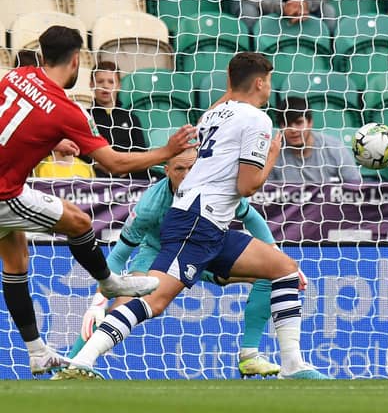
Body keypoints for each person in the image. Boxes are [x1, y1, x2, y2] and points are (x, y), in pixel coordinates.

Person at [55, 52, 329, 380]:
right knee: (154, 303)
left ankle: (291, 365)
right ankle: (82, 361)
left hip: (209, 224)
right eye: (268, 81)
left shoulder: (212, 115)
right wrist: (271, 156)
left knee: (283, 270)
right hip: (197, 222)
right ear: (259, 82)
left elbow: (239, 191)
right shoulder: (257, 120)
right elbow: (247, 186)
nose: (270, 89)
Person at [0, 25, 197, 376]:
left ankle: (36, 352)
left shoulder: (17, 75)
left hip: (6, 186)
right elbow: (115, 163)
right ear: (77, 60)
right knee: (79, 222)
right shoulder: (66, 111)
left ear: (42, 54)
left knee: (16, 259)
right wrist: (167, 151)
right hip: (3, 194)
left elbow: (16, 120)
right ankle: (109, 282)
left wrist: (51, 140)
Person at [63, 148, 285, 378]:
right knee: (120, 307)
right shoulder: (150, 204)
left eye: (192, 168)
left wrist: (275, 253)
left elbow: (250, 216)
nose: (187, 175)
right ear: (167, 171)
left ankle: (250, 356)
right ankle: (72, 366)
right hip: (158, 255)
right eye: (180, 169)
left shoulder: (214, 190)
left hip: (204, 251)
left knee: (270, 275)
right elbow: (119, 255)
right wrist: (97, 302)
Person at [270, 96, 362, 184]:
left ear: (310, 122)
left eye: (299, 123)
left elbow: (355, 187)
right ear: (280, 127)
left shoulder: (335, 148)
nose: (293, 130)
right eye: (287, 124)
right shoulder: (273, 153)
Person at [88, 61, 149, 179]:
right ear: (91, 84)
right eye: (100, 81)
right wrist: (98, 165)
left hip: (131, 179)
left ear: (119, 85)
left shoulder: (131, 118)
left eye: (111, 82)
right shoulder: (85, 116)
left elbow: (142, 154)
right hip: (96, 180)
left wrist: (126, 168)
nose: (105, 86)